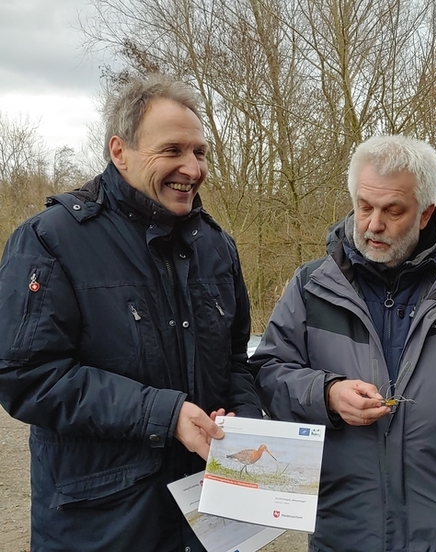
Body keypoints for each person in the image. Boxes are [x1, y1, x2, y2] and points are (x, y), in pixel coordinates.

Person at [0, 75, 262, 551]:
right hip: (103, 526)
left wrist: (242, 416)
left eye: (200, 152)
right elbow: (27, 376)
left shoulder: (217, 247)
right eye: (173, 150)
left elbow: (236, 360)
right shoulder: (49, 240)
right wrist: (163, 413)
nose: (192, 167)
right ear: (120, 151)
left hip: (206, 522)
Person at [252, 135, 436, 551]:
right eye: (364, 206)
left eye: (393, 210)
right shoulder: (312, 286)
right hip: (343, 527)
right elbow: (269, 373)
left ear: (425, 213)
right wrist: (327, 393)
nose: (373, 224)